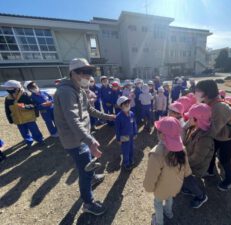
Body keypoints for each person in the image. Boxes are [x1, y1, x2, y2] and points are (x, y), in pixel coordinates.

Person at [54, 58, 115, 215]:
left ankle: (92, 177)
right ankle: (88, 203)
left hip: (82, 136)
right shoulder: (66, 91)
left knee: (88, 163)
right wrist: (89, 140)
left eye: (89, 72)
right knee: (85, 169)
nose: (88, 76)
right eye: (84, 72)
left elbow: (90, 110)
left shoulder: (79, 89)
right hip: (74, 140)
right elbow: (72, 119)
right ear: (73, 73)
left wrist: (109, 116)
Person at [143, 116, 192, 225]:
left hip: (161, 188)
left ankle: (159, 222)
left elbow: (151, 175)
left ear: (161, 135)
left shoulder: (157, 153)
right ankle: (169, 213)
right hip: (176, 185)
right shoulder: (182, 148)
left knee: (158, 203)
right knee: (170, 198)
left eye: (158, 130)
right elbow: (187, 168)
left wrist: (149, 187)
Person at [195, 80, 231, 191]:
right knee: (211, 153)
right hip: (219, 135)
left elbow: (213, 130)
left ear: (207, 92)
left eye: (198, 90)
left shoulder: (218, 107)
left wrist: (198, 135)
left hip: (229, 138)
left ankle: (230, 181)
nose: (196, 92)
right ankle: (209, 171)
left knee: (225, 159)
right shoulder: (209, 103)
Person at [181, 104, 214, 208]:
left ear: (197, 120)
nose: (188, 119)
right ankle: (188, 187)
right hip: (189, 159)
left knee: (187, 177)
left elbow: (197, 158)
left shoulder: (205, 138)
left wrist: (182, 163)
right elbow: (186, 142)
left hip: (197, 166)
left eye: (190, 117)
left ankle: (201, 196)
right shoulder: (194, 127)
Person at [2, 80, 44, 149]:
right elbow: (7, 110)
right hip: (18, 118)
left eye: (9, 88)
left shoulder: (25, 95)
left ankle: (39, 140)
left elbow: (34, 105)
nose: (7, 90)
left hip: (29, 118)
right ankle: (29, 141)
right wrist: (10, 119)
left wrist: (26, 107)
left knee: (34, 129)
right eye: (7, 88)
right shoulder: (8, 98)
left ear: (16, 88)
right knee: (23, 131)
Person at [115, 96, 138, 170]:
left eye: (128, 102)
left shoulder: (131, 113)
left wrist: (135, 133)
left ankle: (131, 160)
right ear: (120, 106)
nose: (127, 104)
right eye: (125, 103)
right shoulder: (118, 117)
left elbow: (134, 124)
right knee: (125, 151)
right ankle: (126, 163)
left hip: (131, 135)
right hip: (124, 137)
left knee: (131, 149)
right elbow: (117, 129)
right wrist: (118, 139)